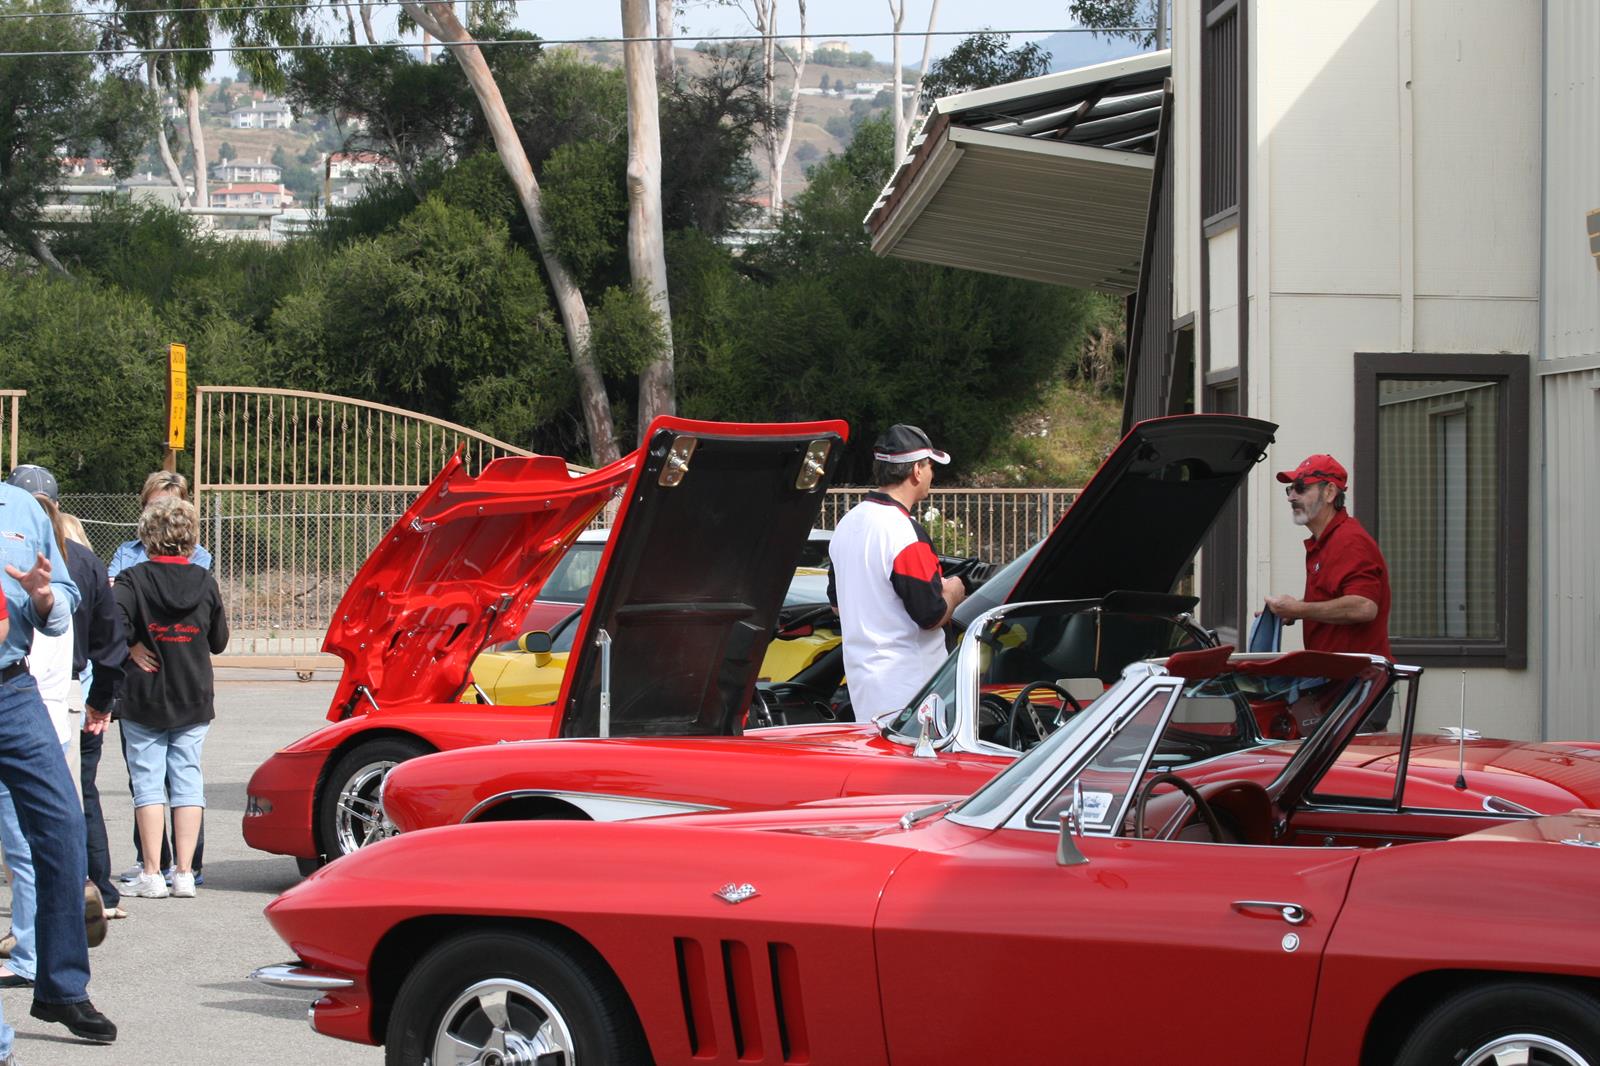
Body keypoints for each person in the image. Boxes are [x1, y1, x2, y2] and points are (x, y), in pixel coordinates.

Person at [0, 477, 117, 1048]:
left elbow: (62, 602)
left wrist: (45, 596)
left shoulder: (22, 508)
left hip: (11, 688)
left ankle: (62, 989)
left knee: (63, 826)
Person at [113, 496, 228, 900]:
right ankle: (183, 872)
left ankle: (151, 872)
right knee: (187, 781)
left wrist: (130, 646)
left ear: (148, 536)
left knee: (146, 784)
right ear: (191, 538)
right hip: (192, 692)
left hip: (144, 694)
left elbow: (111, 621)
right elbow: (219, 642)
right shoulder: (205, 581)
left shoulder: (132, 579)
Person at [827, 424, 967, 721]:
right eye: (930, 466)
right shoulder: (903, 532)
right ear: (917, 470)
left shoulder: (847, 524)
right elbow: (931, 615)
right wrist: (954, 591)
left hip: (865, 690)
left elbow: (838, 606)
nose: (931, 474)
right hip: (915, 695)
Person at [1263, 453, 1392, 658]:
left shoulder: (1349, 540)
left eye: (1301, 488)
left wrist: (1298, 609)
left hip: (1358, 681)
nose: (1291, 497)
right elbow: (1333, 595)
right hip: (1339, 678)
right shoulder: (1326, 541)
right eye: (1290, 489)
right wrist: (1287, 611)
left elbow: (1363, 606)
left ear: (1330, 492)